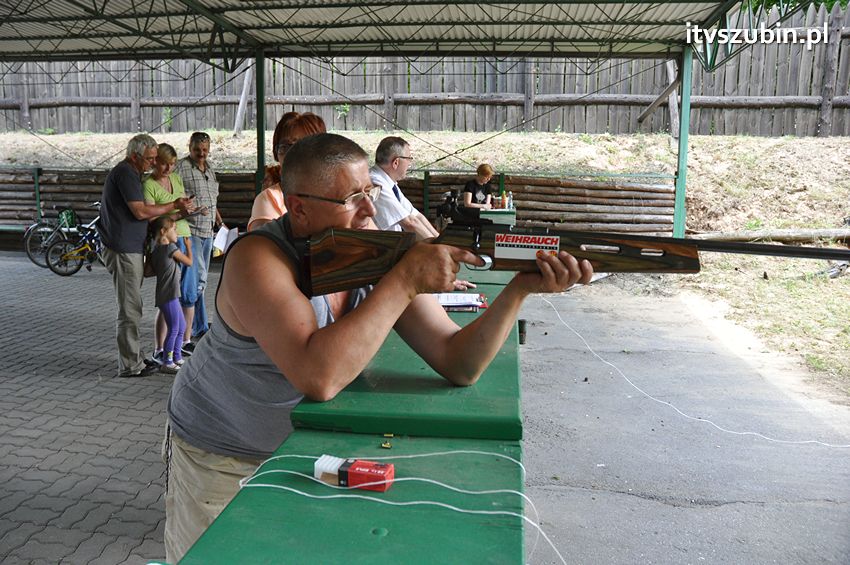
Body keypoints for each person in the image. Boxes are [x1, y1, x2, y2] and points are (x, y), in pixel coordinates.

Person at [163, 133, 593, 562]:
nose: (370, 209)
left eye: (369, 191)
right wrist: (404, 280)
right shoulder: (257, 258)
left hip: (299, 452)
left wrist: (518, 291)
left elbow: (458, 362)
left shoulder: (365, 252)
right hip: (218, 454)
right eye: (352, 198)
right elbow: (320, 377)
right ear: (299, 208)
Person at [97, 134, 193, 378]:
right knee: (130, 308)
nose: (152, 163)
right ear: (134, 156)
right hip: (122, 249)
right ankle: (130, 365)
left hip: (130, 248)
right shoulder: (126, 173)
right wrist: (173, 206)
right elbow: (140, 212)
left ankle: (135, 358)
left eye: (154, 158)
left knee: (133, 305)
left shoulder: (132, 173)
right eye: (149, 159)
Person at [370, 136, 475, 290]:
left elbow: (416, 216)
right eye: (409, 158)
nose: (410, 163)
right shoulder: (376, 182)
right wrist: (443, 254)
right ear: (396, 162)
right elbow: (409, 223)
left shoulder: (389, 182)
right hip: (380, 263)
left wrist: (442, 245)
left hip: (393, 257)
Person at [143, 143, 200, 363]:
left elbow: (181, 203)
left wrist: (189, 208)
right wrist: (176, 213)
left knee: (184, 294)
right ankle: (162, 349)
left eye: (173, 164)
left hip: (181, 234)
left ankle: (179, 347)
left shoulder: (175, 179)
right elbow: (152, 219)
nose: (169, 168)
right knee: (169, 300)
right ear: (155, 161)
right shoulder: (148, 184)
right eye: (166, 163)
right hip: (168, 240)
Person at [175, 131, 223, 345]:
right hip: (190, 230)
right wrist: (191, 208)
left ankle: (200, 325)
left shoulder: (210, 169)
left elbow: (212, 199)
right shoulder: (181, 168)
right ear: (190, 147)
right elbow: (176, 198)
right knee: (192, 282)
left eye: (205, 150)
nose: (201, 154)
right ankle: (186, 329)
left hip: (208, 231)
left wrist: (219, 220)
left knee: (201, 281)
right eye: (197, 150)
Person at [248, 112, 326, 231]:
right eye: (285, 147)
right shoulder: (270, 198)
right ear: (276, 154)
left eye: (304, 146)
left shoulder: (338, 194)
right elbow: (263, 243)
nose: (294, 154)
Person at [148, 216, 193, 374]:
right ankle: (167, 361)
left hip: (169, 294)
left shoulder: (156, 250)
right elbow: (189, 262)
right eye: (174, 229)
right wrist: (188, 247)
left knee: (180, 326)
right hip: (168, 295)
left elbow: (149, 271)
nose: (177, 232)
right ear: (163, 232)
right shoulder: (170, 248)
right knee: (175, 328)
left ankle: (177, 357)